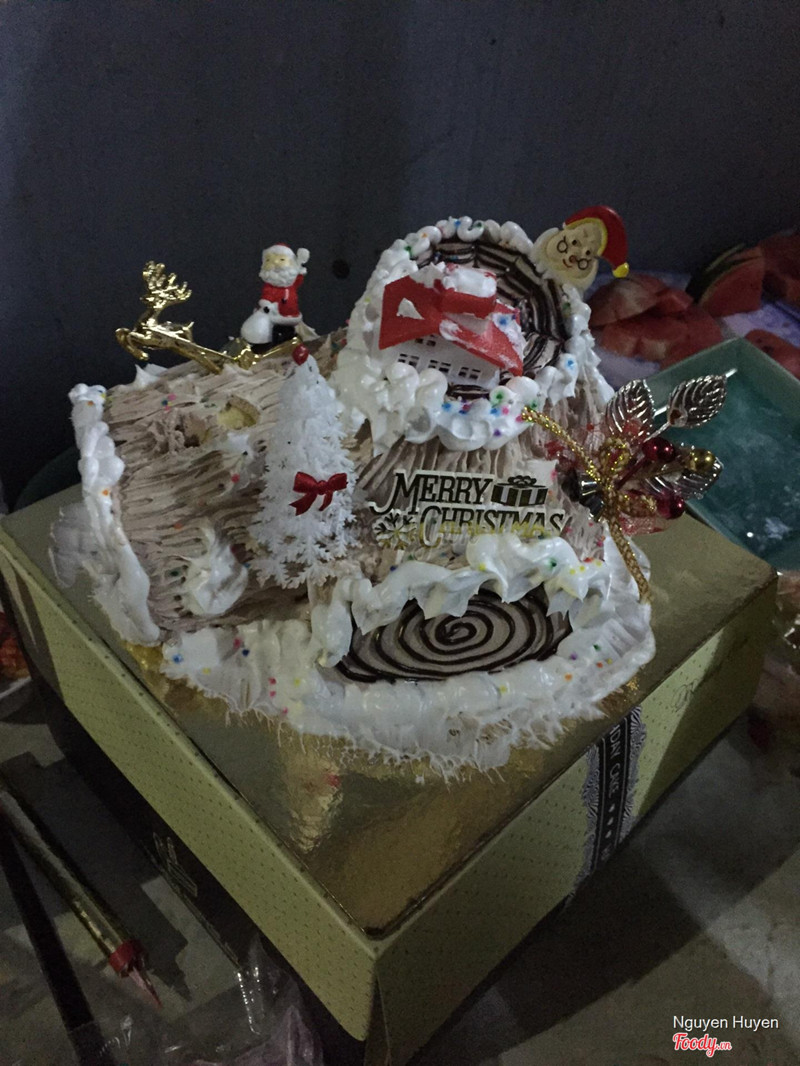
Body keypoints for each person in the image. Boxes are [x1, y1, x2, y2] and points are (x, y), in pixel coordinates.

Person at [240, 243, 310, 346]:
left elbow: (298, 278)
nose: (276, 263)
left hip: (291, 316)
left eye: (282, 259)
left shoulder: (291, 284)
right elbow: (266, 297)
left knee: (290, 333)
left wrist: (300, 264)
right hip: (276, 315)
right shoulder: (270, 288)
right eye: (269, 260)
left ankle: (291, 344)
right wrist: (267, 305)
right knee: (277, 333)